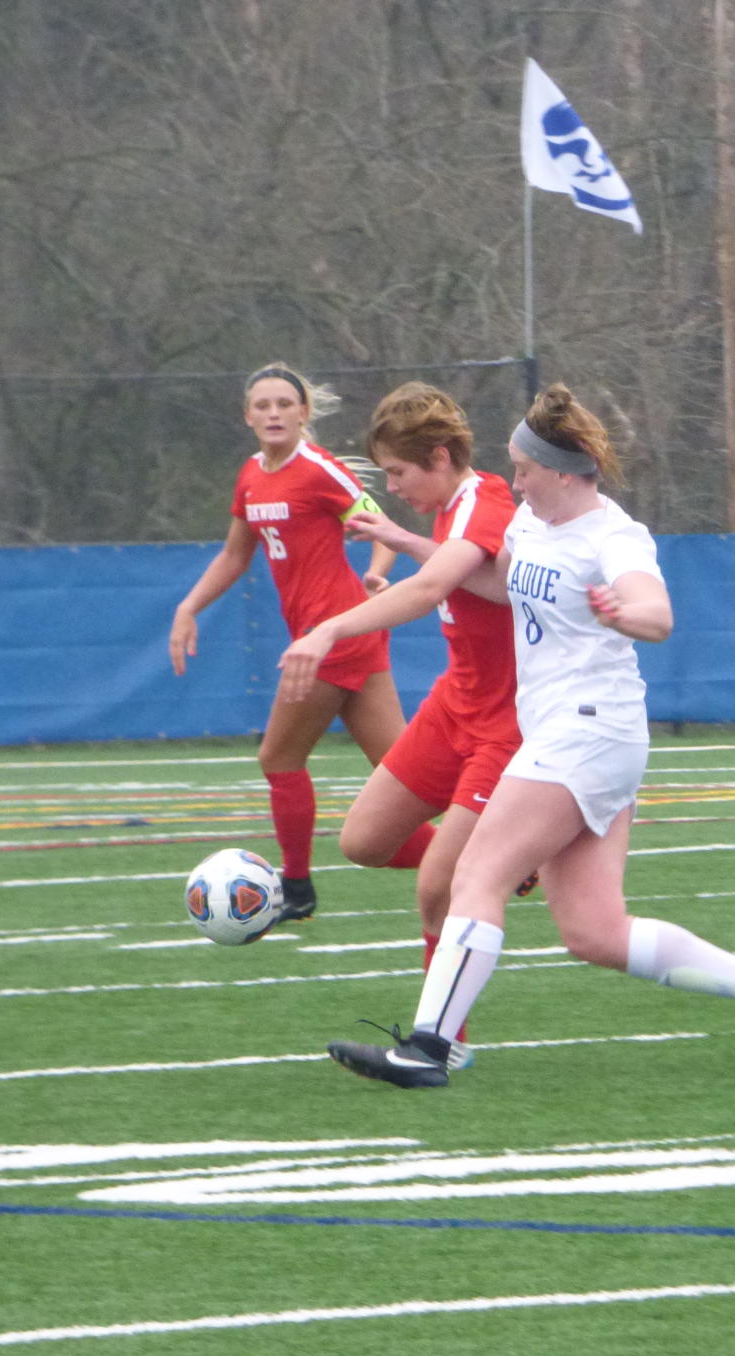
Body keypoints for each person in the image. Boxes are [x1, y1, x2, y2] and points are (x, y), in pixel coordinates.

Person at [326, 383, 735, 1087]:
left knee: (475, 873)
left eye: (522, 469)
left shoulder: (612, 535)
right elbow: (501, 585)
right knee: (593, 932)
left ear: (560, 472)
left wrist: (626, 613)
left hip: (588, 731)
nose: (512, 481)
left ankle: (430, 1048)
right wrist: (406, 541)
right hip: (572, 736)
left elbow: (657, 611)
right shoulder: (530, 523)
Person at [277, 382, 526, 1064]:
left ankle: (441, 1048)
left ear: (440, 457)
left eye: (397, 473)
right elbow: (457, 571)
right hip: (455, 705)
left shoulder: (486, 502)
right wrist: (401, 538)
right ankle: (501, 855)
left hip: (505, 723)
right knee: (362, 840)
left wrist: (324, 632)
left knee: (435, 890)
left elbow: (429, 590)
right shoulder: (451, 509)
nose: (391, 487)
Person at [168, 363, 433, 924]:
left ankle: (296, 888)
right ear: (247, 416)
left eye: (284, 404)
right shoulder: (250, 476)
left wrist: (379, 571)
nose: (273, 414)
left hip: (332, 636)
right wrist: (189, 607)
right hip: (346, 634)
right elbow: (236, 554)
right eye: (262, 406)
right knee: (405, 770)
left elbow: (376, 522)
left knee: (279, 757)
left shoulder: (318, 469)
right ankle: (490, 854)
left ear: (303, 412)